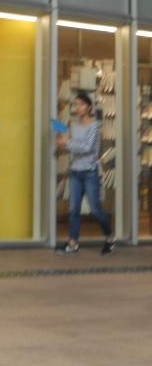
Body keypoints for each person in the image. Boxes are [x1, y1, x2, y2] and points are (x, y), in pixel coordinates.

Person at [55, 91, 116, 255]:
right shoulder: (74, 126)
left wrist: (67, 143)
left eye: (81, 104)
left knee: (95, 209)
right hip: (75, 172)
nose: (77, 107)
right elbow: (74, 148)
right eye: (75, 104)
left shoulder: (95, 126)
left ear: (89, 107)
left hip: (90, 173)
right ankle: (73, 243)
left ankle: (110, 237)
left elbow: (87, 148)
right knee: (73, 209)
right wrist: (64, 142)